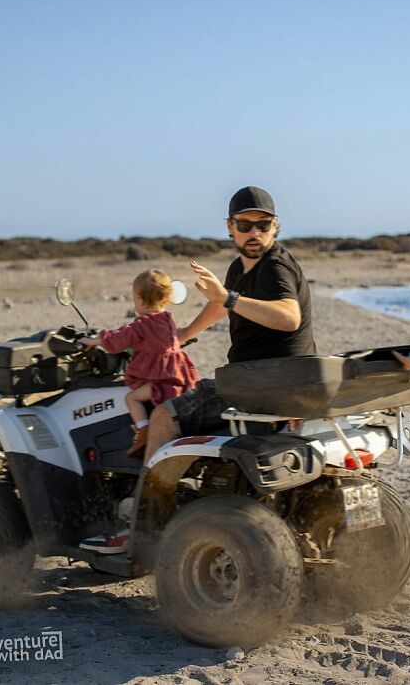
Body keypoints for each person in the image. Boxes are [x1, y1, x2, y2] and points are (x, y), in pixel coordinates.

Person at [81, 186, 316, 554]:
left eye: (263, 224)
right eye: (244, 224)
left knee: (162, 416)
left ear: (276, 227)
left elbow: (289, 317)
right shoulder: (242, 266)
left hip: (257, 383)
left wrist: (229, 297)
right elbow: (221, 306)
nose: (254, 232)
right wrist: (185, 333)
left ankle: (141, 527)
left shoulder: (275, 267)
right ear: (230, 227)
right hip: (273, 380)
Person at [79, 269, 200, 456]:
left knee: (131, 398)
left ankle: (143, 430)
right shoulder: (167, 319)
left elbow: (120, 337)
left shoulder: (142, 325)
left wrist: (93, 341)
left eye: (135, 300)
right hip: (179, 378)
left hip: (162, 383)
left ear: (141, 300)